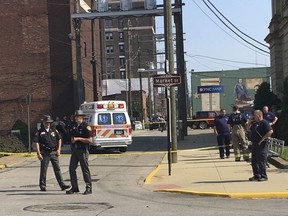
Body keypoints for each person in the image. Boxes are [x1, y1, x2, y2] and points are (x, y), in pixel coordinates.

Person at [34, 115, 71, 192]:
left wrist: (59, 149)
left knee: (57, 169)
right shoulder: (40, 132)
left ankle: (62, 185)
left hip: (54, 152)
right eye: (46, 122)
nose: (47, 124)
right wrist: (38, 153)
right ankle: (42, 185)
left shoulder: (54, 130)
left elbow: (59, 139)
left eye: (49, 122)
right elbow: (36, 142)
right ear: (43, 122)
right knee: (43, 170)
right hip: (45, 153)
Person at [66, 110, 93, 195]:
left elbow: (90, 140)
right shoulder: (73, 126)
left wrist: (78, 139)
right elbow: (70, 136)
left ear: (82, 118)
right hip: (75, 150)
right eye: (77, 117)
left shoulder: (86, 126)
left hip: (83, 150)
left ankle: (88, 187)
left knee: (84, 169)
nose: (78, 119)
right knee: (71, 168)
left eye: (79, 117)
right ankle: (74, 187)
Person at [247, 110, 273, 181]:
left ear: (259, 115)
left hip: (261, 144)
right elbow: (248, 130)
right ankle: (256, 175)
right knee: (254, 161)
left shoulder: (264, 123)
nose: (253, 117)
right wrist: (249, 123)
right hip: (254, 144)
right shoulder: (255, 123)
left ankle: (263, 176)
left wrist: (263, 139)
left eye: (255, 115)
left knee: (261, 160)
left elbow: (270, 131)